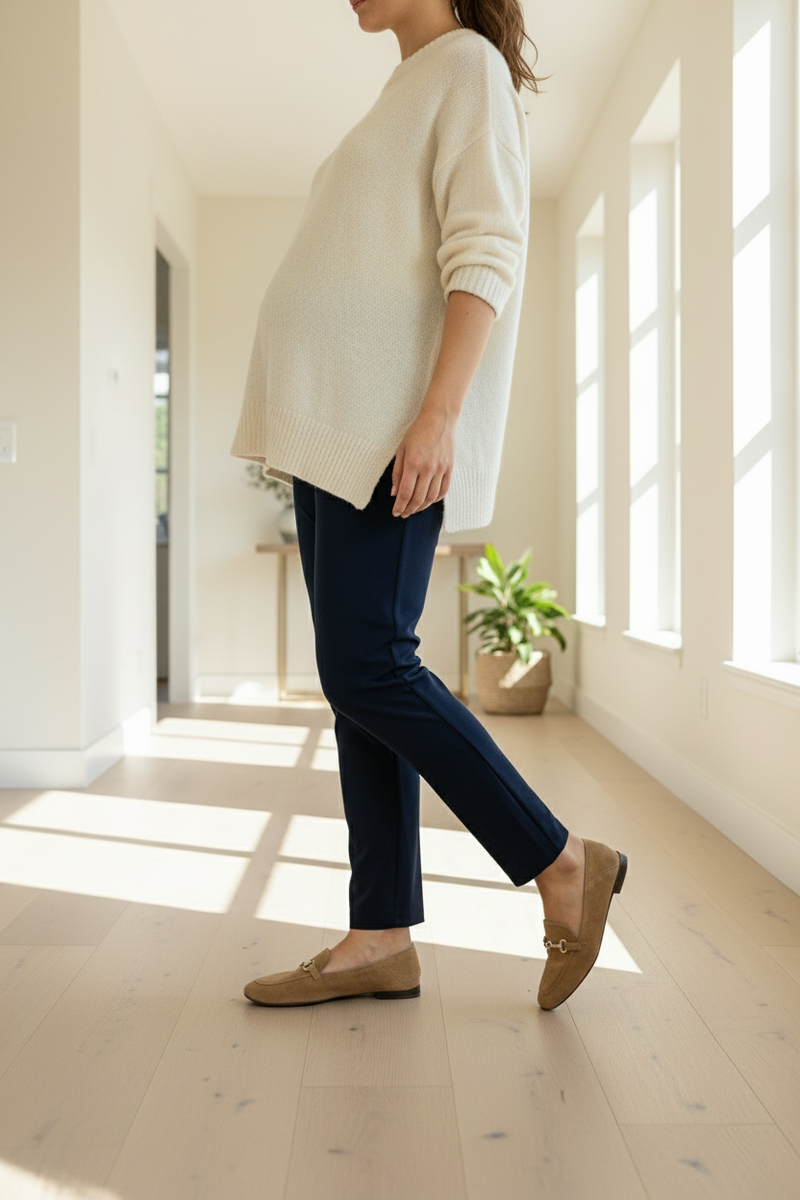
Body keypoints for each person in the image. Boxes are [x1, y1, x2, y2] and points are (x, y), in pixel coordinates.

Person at [231, 0, 626, 1012]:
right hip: (336, 439)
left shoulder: (466, 70)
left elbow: (484, 249)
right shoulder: (410, 84)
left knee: (368, 664)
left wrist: (437, 417)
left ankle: (560, 862)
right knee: (356, 683)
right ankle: (379, 934)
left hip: (387, 434)